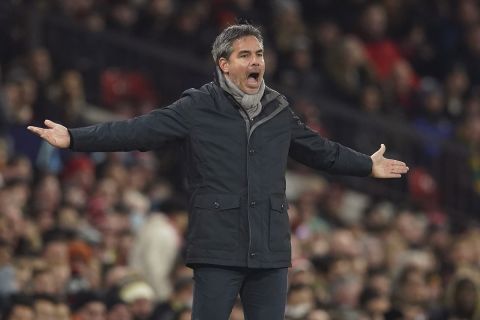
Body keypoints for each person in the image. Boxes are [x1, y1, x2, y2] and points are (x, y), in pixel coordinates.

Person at [28, 24, 409, 320]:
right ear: (224, 65)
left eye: (259, 53)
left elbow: (320, 152)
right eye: (246, 55)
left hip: (271, 250)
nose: (256, 61)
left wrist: (366, 165)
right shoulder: (197, 107)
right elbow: (137, 130)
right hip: (217, 247)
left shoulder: (278, 111)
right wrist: (74, 138)